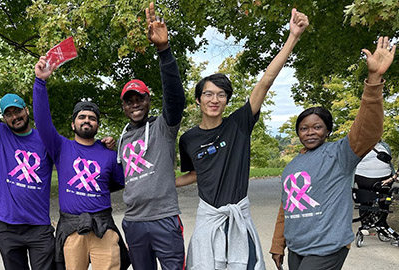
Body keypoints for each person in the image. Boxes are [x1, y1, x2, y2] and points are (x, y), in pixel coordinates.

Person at [176, 8, 308, 270]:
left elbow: (266, 82)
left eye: (221, 95)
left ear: (226, 100)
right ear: (198, 99)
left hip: (238, 216)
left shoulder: (239, 124)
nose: (215, 100)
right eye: (209, 94)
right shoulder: (188, 139)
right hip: (208, 218)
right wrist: (165, 184)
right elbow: (197, 172)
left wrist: (292, 37)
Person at [269, 36, 395, 270]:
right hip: (297, 248)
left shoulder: (340, 154)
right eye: (304, 128)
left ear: (327, 130)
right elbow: (286, 206)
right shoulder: (292, 166)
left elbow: (367, 129)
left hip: (327, 247)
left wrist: (374, 79)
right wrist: (279, 244)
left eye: (317, 127)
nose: (310, 133)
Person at [0, 35, 55, 270]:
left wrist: (101, 145)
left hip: (39, 227)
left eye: (18, 111)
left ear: (26, 110)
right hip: (8, 227)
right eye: (9, 114)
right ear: (4, 117)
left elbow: (74, 152)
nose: (15, 117)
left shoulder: (44, 138)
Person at [32, 57, 129, 270]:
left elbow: (121, 182)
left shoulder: (109, 155)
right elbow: (42, 120)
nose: (87, 120)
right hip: (72, 227)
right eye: (82, 116)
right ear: (73, 123)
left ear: (97, 125)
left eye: (92, 118)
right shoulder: (60, 147)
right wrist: (40, 82)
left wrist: (115, 148)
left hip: (104, 227)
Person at [114, 3, 186, 269]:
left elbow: (175, 97)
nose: (134, 104)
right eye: (128, 101)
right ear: (123, 107)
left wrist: (163, 50)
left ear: (148, 101)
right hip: (133, 222)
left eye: (139, 99)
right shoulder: (121, 139)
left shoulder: (162, 127)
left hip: (164, 219)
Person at [354, 140, 398, 236]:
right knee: (374, 200)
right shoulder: (359, 144)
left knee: (378, 200)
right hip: (372, 177)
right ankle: (372, 223)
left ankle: (375, 223)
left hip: (378, 178)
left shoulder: (383, 145)